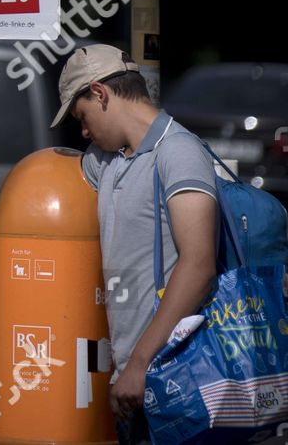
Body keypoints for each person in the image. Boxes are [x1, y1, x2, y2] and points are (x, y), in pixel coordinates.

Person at [51, 44, 219, 445]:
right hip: (134, 384)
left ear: (101, 93)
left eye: (82, 117)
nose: (85, 132)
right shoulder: (109, 160)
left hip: (173, 378)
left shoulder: (179, 153)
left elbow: (199, 265)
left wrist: (139, 363)